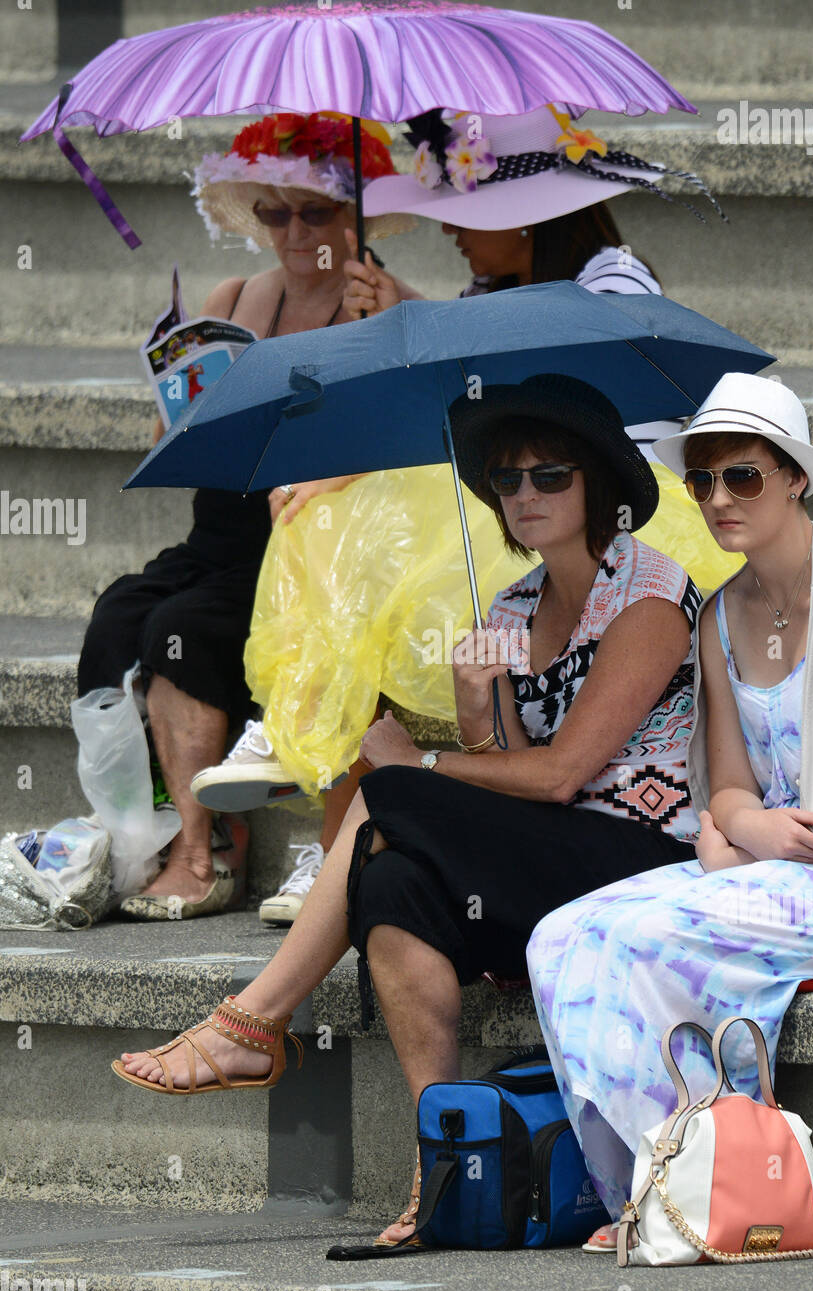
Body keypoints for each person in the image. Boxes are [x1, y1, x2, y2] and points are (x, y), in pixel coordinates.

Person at [112, 373, 707, 1251]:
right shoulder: (509, 607)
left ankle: (255, 1020)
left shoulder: (648, 594)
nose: (526, 495)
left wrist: (423, 759)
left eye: (550, 475)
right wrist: (477, 704)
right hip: (545, 861)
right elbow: (507, 765)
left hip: (636, 858)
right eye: (506, 480)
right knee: (393, 886)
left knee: (386, 790)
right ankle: (442, 1175)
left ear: (597, 483)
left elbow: (561, 776)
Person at [194, 104, 738, 925]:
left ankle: (340, 801)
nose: (453, 235)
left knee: (372, 524)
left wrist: (423, 763)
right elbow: (474, 401)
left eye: (468, 218)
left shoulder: (610, 278)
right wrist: (402, 315)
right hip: (528, 517)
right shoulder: (491, 282)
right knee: (325, 502)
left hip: (622, 504)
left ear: (526, 218)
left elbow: (565, 413)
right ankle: (306, 725)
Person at [523, 373, 813, 1251]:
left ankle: (673, 1182)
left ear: (795, 478)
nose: (719, 498)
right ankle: (646, 1190)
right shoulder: (720, 616)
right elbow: (723, 787)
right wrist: (748, 826)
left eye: (743, 477)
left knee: (643, 938)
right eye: (702, 482)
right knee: (558, 934)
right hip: (766, 871)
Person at [77, 112, 412, 921]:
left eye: (317, 212)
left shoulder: (387, 304)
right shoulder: (235, 299)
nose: (296, 231)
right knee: (119, 614)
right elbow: (175, 446)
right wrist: (175, 395)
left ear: (353, 216)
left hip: (309, 547)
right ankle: (153, 830)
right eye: (274, 212)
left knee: (180, 630)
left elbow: (411, 455)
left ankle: (206, 853)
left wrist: (380, 335)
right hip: (223, 530)